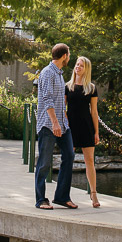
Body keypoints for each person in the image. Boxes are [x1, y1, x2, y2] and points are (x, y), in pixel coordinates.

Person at [34, 43, 78, 210]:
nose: (70, 57)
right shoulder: (47, 73)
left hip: (62, 125)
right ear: (64, 56)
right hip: (48, 125)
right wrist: (54, 122)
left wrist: (62, 122)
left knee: (69, 155)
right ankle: (41, 200)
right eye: (69, 54)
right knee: (44, 163)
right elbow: (46, 99)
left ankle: (61, 197)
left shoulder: (59, 74)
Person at [65, 56, 101, 208]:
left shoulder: (91, 88)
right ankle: (64, 194)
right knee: (68, 160)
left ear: (86, 69)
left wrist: (96, 132)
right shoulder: (67, 86)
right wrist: (65, 124)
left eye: (81, 65)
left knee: (89, 162)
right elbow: (62, 108)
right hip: (71, 127)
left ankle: (93, 194)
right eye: (77, 64)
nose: (78, 67)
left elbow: (94, 112)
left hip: (86, 127)